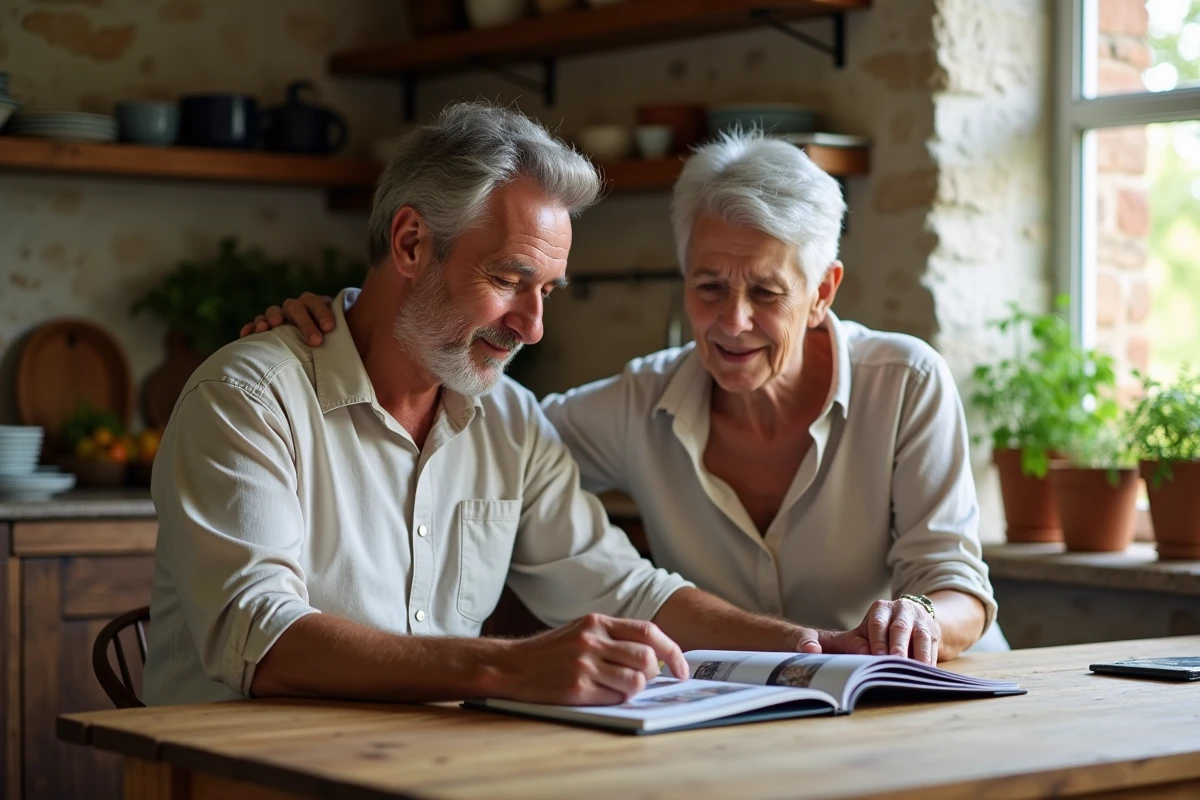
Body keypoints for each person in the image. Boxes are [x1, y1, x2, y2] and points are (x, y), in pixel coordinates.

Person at [144, 103, 884, 709]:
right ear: (409, 243)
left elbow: (625, 590)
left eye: (547, 291)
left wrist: (812, 648)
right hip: (235, 775)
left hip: (421, 770)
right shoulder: (248, 398)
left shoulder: (510, 421)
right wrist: (505, 667)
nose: (533, 327)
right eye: (509, 278)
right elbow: (261, 637)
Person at [242, 127, 1002, 667]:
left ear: (821, 294)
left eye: (766, 292)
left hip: (927, 684)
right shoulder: (621, 405)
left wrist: (912, 623)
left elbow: (958, 584)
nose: (733, 323)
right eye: (709, 287)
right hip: (768, 702)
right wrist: (342, 322)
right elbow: (497, 443)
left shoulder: (904, 381)